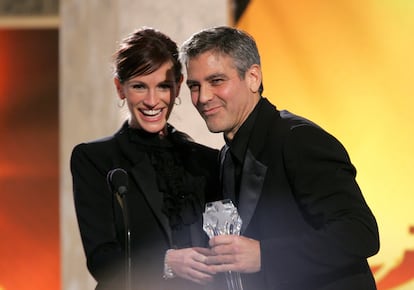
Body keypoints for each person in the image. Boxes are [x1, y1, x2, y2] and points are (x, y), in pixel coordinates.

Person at [180, 26, 380, 290]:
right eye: (195, 86)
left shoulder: (298, 140)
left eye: (216, 81)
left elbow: (360, 233)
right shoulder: (228, 155)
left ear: (253, 77)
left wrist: (265, 256)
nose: (203, 98)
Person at [70, 27, 219, 290]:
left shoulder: (209, 162)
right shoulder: (95, 160)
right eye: (139, 86)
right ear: (120, 88)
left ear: (178, 87)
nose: (152, 101)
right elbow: (102, 261)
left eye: (163, 86)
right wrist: (167, 262)